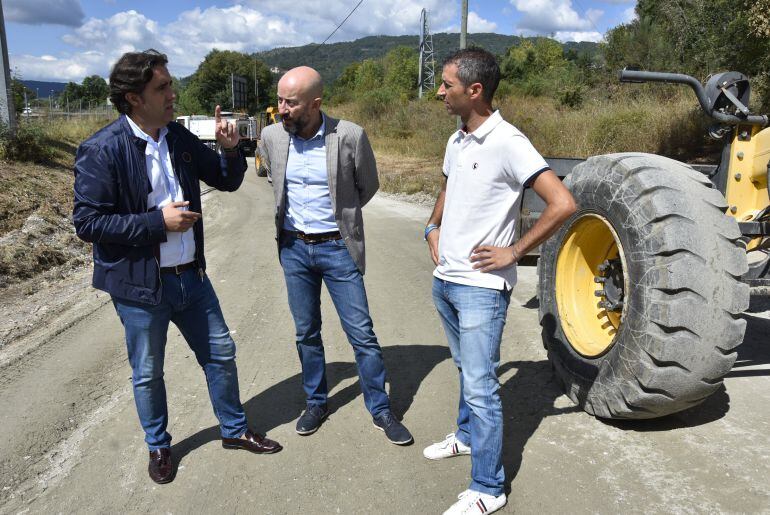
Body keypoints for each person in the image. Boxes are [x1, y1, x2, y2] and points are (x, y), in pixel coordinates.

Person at [72, 49, 282, 485]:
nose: (173, 94)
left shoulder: (178, 137)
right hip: (139, 288)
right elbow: (87, 222)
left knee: (221, 354)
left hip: (192, 276)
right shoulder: (101, 149)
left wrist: (230, 150)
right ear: (133, 98)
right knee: (148, 373)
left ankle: (234, 429)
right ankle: (159, 446)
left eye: (170, 84)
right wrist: (156, 223)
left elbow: (225, 180)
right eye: (162, 87)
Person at [423, 48, 577, 514]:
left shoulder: (510, 141)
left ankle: (488, 489)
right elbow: (449, 186)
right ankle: (467, 437)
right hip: (445, 280)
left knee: (482, 386)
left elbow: (562, 203)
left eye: (446, 85)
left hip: (481, 288)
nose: (439, 92)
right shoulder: (458, 139)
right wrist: (431, 226)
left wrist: (514, 251)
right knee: (467, 372)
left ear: (474, 90)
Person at [259, 66, 413, 445]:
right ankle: (315, 402)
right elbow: (273, 180)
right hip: (294, 248)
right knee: (306, 332)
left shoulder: (349, 135)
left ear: (316, 103)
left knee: (361, 333)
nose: (282, 109)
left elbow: (368, 185)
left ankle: (380, 409)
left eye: (291, 103)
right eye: (280, 100)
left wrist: (341, 218)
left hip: (337, 247)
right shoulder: (271, 137)